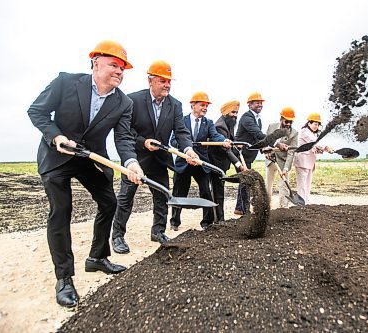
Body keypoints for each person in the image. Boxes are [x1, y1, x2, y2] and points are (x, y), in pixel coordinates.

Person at [27, 40, 144, 308]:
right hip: (57, 155)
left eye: (122, 68)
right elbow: (37, 111)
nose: (119, 71)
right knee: (62, 209)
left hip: (90, 158)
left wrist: (132, 161)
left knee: (109, 202)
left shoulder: (123, 102)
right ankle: (65, 278)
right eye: (114, 65)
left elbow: (124, 137)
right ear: (95, 63)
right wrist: (55, 136)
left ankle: (97, 258)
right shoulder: (66, 82)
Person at [111, 60, 199, 249]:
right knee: (126, 197)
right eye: (162, 81)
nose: (167, 85)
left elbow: (181, 131)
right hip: (136, 159)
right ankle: (117, 236)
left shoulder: (174, 105)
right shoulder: (132, 100)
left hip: (160, 159)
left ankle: (158, 231)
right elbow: (125, 131)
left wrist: (188, 150)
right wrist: (143, 142)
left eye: (169, 81)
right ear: (150, 81)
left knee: (161, 197)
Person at [170, 92, 231, 230]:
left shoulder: (208, 123)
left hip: (201, 163)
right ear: (193, 105)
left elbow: (215, 136)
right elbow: (173, 140)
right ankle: (174, 221)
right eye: (202, 105)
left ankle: (206, 222)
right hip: (184, 162)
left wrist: (223, 141)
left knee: (206, 192)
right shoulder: (182, 121)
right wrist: (186, 149)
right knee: (179, 192)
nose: (205, 108)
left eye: (206, 106)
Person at [208, 100, 247, 222]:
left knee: (219, 191)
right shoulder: (220, 126)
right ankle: (218, 219)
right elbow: (226, 149)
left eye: (236, 112)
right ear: (225, 113)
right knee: (217, 192)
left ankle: (219, 218)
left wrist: (237, 147)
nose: (235, 115)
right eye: (233, 112)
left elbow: (231, 142)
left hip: (222, 164)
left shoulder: (228, 124)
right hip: (216, 163)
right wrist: (238, 164)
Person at [233, 92, 266, 215]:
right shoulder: (247, 118)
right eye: (257, 102)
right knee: (245, 180)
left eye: (261, 103)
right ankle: (243, 209)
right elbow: (258, 134)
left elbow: (257, 139)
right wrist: (274, 142)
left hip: (248, 155)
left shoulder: (257, 120)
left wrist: (264, 148)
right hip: (241, 154)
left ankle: (240, 208)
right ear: (250, 104)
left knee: (244, 181)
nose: (260, 105)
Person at [293, 113, 333, 204]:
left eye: (318, 124)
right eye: (315, 124)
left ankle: (306, 202)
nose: (317, 126)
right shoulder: (305, 131)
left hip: (310, 162)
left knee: (307, 184)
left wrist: (325, 150)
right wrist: (326, 146)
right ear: (309, 123)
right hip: (302, 162)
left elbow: (315, 148)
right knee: (302, 185)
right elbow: (314, 143)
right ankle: (301, 203)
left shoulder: (313, 134)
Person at [264, 107, 299, 208]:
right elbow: (266, 141)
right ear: (281, 119)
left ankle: (283, 207)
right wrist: (266, 151)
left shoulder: (294, 133)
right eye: (286, 121)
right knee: (268, 184)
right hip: (270, 159)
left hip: (283, 162)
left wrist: (286, 169)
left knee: (284, 185)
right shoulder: (271, 127)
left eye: (291, 122)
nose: (288, 124)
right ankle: (266, 206)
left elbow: (291, 152)